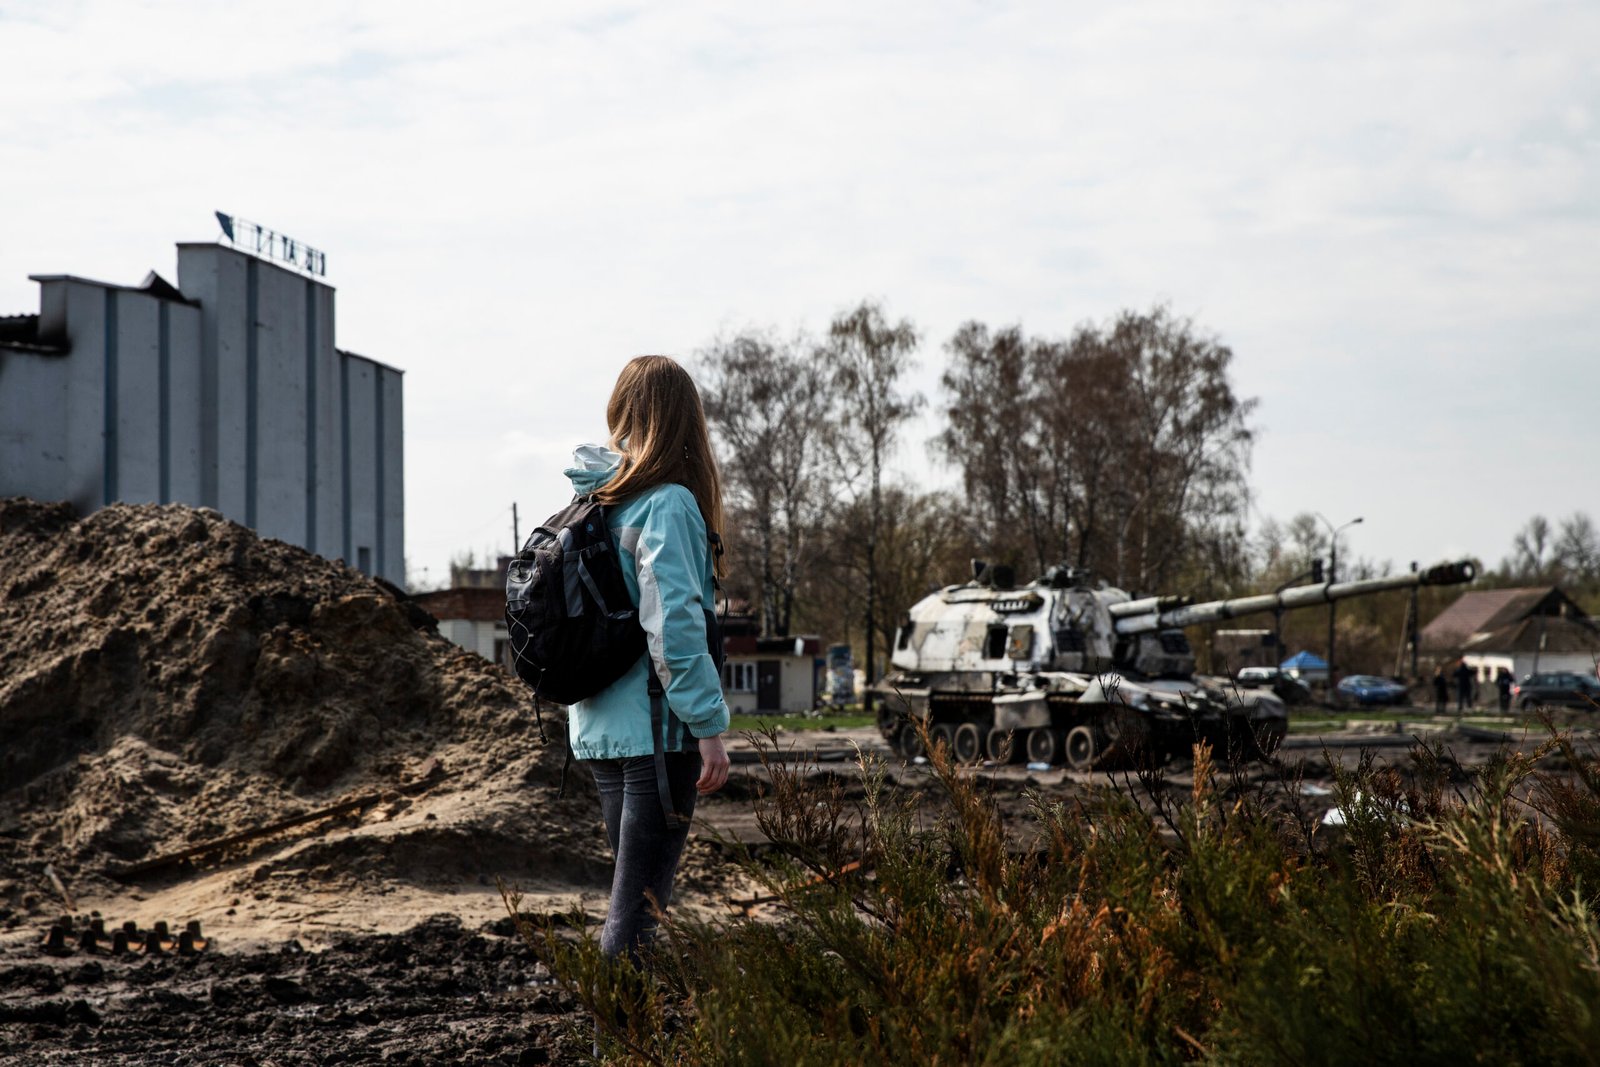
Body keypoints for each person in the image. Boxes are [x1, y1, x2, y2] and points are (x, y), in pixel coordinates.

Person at [564, 355, 731, 964]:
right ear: (686, 421)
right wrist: (709, 728)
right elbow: (676, 628)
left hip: (600, 730)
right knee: (635, 921)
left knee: (628, 907)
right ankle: (616, 1050)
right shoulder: (667, 504)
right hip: (658, 735)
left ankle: (622, 1043)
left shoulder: (595, 504)